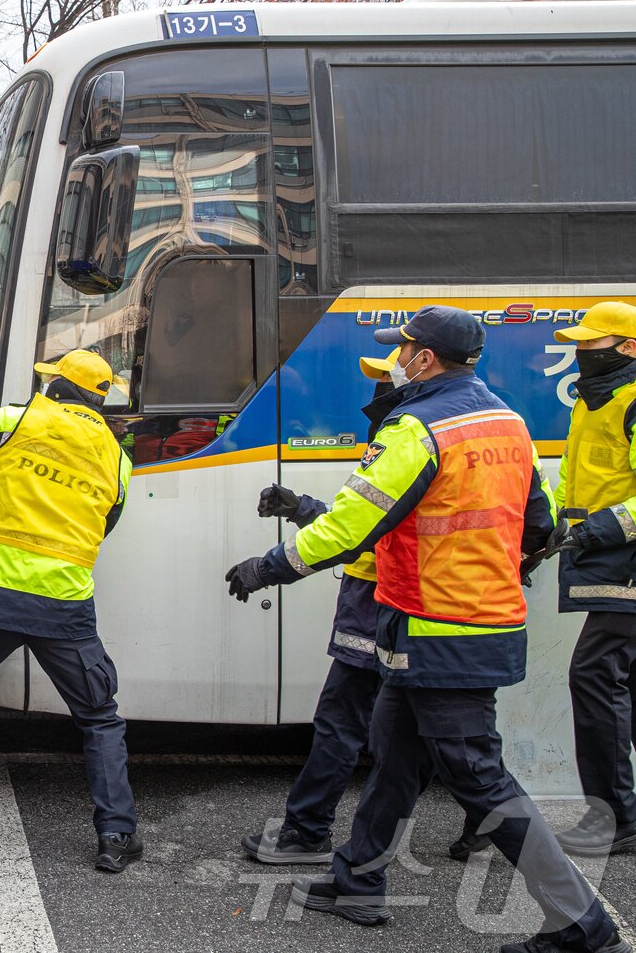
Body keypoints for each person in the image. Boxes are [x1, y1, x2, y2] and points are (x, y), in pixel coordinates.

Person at [225, 305, 626, 953]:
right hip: (472, 621)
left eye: (403, 348)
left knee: (480, 775)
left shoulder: (416, 426)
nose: (397, 358)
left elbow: (354, 522)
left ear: (426, 359)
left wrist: (269, 564)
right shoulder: (509, 421)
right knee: (395, 751)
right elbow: (539, 524)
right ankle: (356, 877)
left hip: (440, 628)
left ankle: (584, 923)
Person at [243, 347, 489, 865]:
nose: (378, 391)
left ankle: (307, 833)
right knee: (443, 727)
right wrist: (303, 508)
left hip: (380, 598)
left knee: (344, 722)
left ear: (421, 371)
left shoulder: (409, 434)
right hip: (434, 601)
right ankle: (484, 821)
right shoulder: (476, 428)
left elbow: (360, 533)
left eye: (386, 379)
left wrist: (268, 567)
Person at [0, 305, 141, 873]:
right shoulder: (118, 460)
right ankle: (116, 836)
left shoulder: (19, 422)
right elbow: (107, 523)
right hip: (62, 605)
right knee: (99, 718)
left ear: (58, 386)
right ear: (98, 400)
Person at [549, 302, 636, 858]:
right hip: (606, 562)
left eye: (593, 344)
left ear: (629, 348)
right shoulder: (596, 401)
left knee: (595, 676)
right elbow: (576, 479)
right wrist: (553, 522)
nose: (582, 354)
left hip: (624, 564)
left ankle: (614, 820)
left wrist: (601, 528)